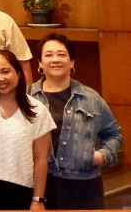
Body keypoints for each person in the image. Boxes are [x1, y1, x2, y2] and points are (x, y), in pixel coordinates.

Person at [27, 33, 123, 210]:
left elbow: (114, 135)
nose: (55, 59)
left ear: (72, 62)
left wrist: (102, 156)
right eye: (48, 55)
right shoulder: (27, 98)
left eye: (61, 54)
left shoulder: (90, 98)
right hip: (37, 185)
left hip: (83, 187)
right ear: (40, 63)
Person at [0, 49, 53, 210]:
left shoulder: (37, 110)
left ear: (19, 73)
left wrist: (38, 199)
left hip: (20, 191)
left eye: (5, 71)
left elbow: (41, 159)